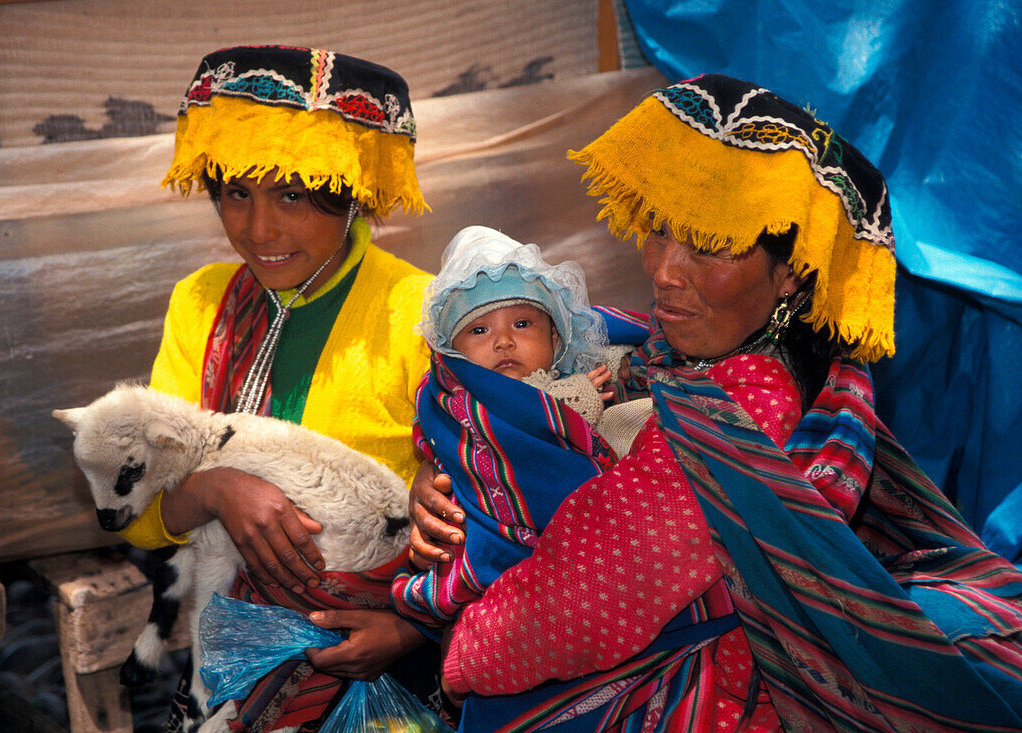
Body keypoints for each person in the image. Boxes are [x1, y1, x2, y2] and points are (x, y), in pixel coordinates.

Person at [410, 74, 1022, 731]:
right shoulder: (664, 353)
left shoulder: (740, 411)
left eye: (711, 245)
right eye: (659, 230)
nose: (666, 269)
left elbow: (582, 597)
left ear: (789, 271)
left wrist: (451, 658)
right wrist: (443, 472)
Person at [114, 45, 443, 731]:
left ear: (351, 188)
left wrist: (410, 630)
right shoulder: (201, 303)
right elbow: (135, 507)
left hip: (390, 668)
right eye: (237, 193)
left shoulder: (419, 313)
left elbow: (495, 514)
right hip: (229, 668)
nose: (258, 231)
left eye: (291, 195)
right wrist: (213, 489)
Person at [390, 225, 648, 630]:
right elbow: (461, 440)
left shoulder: (596, 373)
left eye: (523, 324)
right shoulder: (458, 404)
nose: (504, 342)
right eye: (479, 330)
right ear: (452, 354)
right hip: (507, 556)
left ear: (557, 337)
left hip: (613, 544)